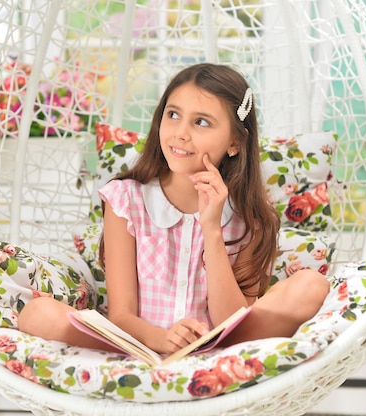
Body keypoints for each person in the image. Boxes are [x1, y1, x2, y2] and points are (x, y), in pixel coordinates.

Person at [18, 63, 329, 354]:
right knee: (38, 314)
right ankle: (161, 363)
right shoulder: (126, 200)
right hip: (139, 346)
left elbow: (233, 322)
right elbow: (122, 315)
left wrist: (212, 229)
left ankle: (220, 366)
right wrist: (162, 340)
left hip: (219, 348)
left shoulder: (251, 218)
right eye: (173, 115)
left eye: (201, 122)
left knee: (310, 286)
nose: (181, 132)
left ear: (235, 142)